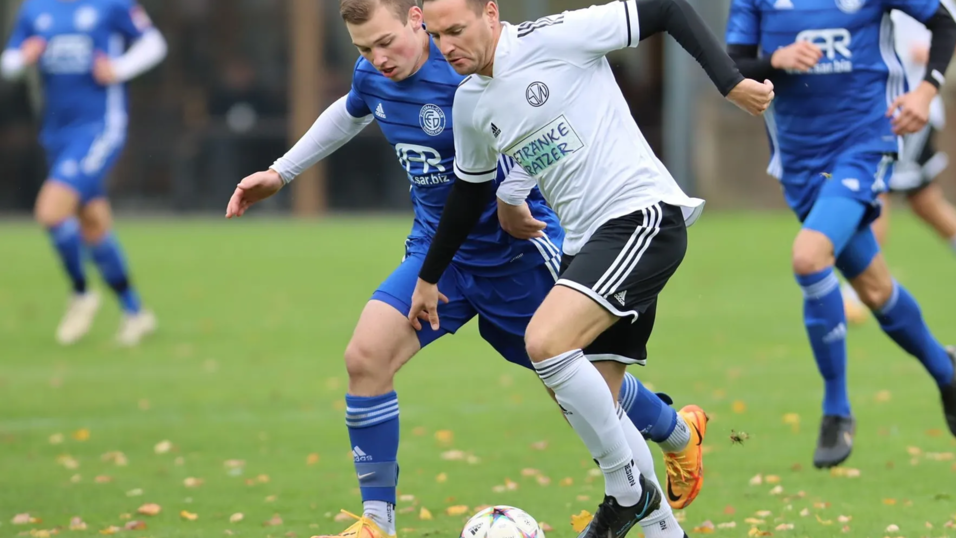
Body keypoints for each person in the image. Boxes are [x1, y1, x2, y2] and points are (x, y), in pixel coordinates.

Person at [225, 2, 711, 537]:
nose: (377, 58)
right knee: (365, 357)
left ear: (415, 19)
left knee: (587, 390)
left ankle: (672, 446)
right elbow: (351, 109)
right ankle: (377, 522)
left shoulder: (467, 65)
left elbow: (537, 119)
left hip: (516, 255)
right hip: (439, 256)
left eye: (385, 42)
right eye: (363, 48)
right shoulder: (373, 74)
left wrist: (512, 194)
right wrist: (281, 172)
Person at [408, 0, 773, 536]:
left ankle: (625, 492)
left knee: (545, 342)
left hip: (641, 216)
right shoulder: (469, 102)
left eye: (457, 30)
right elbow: (467, 192)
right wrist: (429, 275)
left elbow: (666, 7)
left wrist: (731, 82)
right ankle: (662, 527)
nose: (447, 47)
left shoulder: (555, 38)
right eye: (437, 36)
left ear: (490, 13)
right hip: (585, 242)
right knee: (596, 405)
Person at [725, 0, 956, 468]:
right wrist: (776, 60)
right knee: (875, 289)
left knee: (809, 257)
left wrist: (926, 90)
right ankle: (947, 372)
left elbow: (943, 21)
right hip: (799, 163)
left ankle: (837, 409)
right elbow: (733, 66)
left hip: (863, 145)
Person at [1, 0, 166, 345]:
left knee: (51, 212)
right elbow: (9, 62)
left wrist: (119, 68)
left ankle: (81, 292)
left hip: (99, 127)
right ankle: (135, 312)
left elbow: (154, 44)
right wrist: (24, 58)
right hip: (56, 133)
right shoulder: (36, 9)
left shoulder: (111, 4)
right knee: (93, 224)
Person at [842, 9, 956, 324]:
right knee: (925, 202)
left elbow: (941, 32)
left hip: (907, 111)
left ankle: (856, 293)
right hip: (883, 108)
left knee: (875, 193)